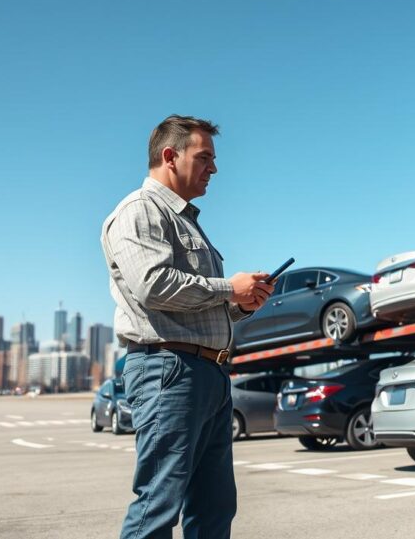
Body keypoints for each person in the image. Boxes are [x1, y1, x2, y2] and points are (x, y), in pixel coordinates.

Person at [101, 115, 274, 538]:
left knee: (214, 509)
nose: (213, 168)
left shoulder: (187, 221)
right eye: (204, 157)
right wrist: (229, 288)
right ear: (169, 156)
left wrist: (242, 304)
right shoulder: (140, 210)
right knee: (158, 505)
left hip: (209, 372)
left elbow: (197, 304)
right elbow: (154, 286)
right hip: (168, 370)